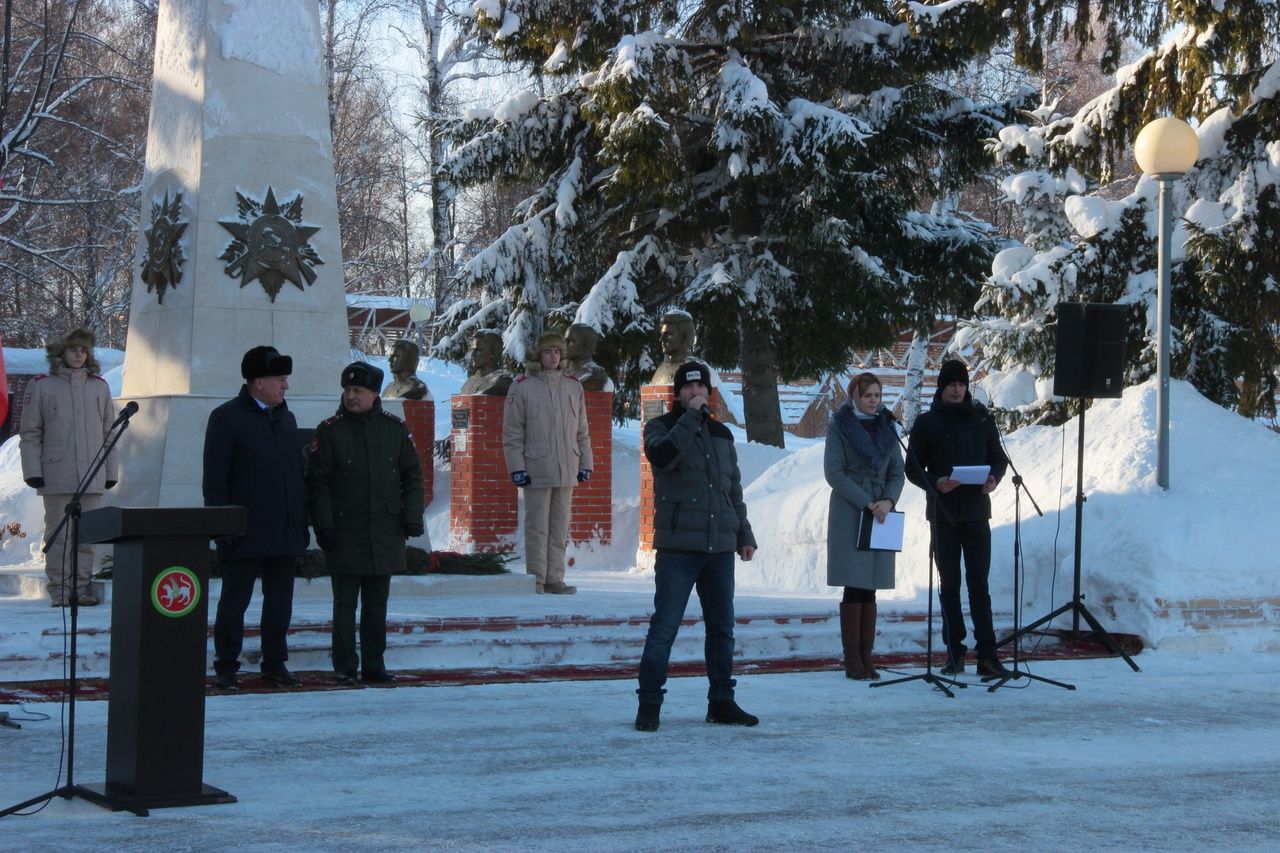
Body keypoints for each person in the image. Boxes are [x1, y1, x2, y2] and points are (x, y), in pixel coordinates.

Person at [635, 361, 758, 732]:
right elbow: (664, 457)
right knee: (665, 627)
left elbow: (732, 490)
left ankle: (721, 701)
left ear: (709, 392)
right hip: (678, 549)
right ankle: (650, 704)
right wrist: (690, 418)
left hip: (719, 548)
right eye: (688, 389)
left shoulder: (722, 434)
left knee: (723, 628)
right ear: (678, 394)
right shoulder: (661, 427)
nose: (695, 394)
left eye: (700, 388)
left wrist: (744, 533)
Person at [307, 362, 425, 685]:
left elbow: (412, 476)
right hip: (345, 531)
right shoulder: (329, 431)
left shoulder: (394, 429)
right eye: (347, 390)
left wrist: (412, 517)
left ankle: (374, 664)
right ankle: (344, 665)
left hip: (385, 530)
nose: (351, 396)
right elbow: (318, 484)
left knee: (377, 604)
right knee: (344, 603)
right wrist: (324, 526)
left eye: (358, 390)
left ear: (375, 394)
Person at [203, 345, 309, 689]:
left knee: (280, 604)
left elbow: (295, 476)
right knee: (234, 603)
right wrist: (223, 525)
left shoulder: (286, 418)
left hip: (282, 530)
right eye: (281, 379)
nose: (286, 386)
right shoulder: (226, 417)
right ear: (259, 382)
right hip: (244, 531)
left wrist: (299, 524)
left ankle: (275, 663)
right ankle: (226, 666)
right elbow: (215, 478)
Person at [905, 359, 1010, 678]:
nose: (957, 389)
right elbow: (912, 468)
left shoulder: (981, 418)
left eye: (961, 384)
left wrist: (993, 478)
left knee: (980, 585)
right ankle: (955, 652)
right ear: (942, 387)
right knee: (949, 585)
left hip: (977, 514)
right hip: (944, 515)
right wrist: (935, 481)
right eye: (951, 384)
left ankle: (988, 655)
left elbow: (999, 459)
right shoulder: (926, 423)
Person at [19, 328, 118, 607]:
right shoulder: (42, 386)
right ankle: (62, 591)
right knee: (60, 536)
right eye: (74, 349)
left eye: (83, 350)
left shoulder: (99, 387)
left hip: (91, 474)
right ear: (61, 352)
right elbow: (31, 433)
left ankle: (81, 589)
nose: (78, 354)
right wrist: (32, 471)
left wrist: (110, 472)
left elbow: (109, 433)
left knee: (86, 537)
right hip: (56, 474)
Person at [824, 372, 905, 680]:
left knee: (871, 584)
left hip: (881, 510)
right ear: (855, 396)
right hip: (851, 509)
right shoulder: (840, 426)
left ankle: (867, 656)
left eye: (877, 395)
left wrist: (887, 501)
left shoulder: (887, 427)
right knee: (854, 583)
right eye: (868, 395)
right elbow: (834, 472)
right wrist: (866, 502)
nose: (873, 401)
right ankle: (852, 658)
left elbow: (897, 471)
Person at [502, 331, 592, 594]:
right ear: (537, 355)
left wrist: (585, 463)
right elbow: (512, 434)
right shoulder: (522, 387)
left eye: (557, 351)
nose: (553, 356)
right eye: (547, 351)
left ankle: (555, 579)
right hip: (536, 468)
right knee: (537, 529)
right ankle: (537, 580)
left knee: (559, 529)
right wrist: (517, 468)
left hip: (566, 468)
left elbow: (582, 432)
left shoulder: (573, 386)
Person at [460, 329, 513, 395]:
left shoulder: (503, 382)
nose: (473, 355)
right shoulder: (469, 383)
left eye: (479, 350)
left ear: (492, 353)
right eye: (473, 350)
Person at [649, 310, 694, 386]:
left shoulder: (697, 370)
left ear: (685, 336)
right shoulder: (660, 370)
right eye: (662, 334)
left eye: (668, 334)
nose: (661, 339)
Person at [563, 322, 611, 392]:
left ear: (585, 346)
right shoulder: (563, 371)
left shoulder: (595, 375)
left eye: (570, 341)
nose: (564, 345)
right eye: (565, 341)